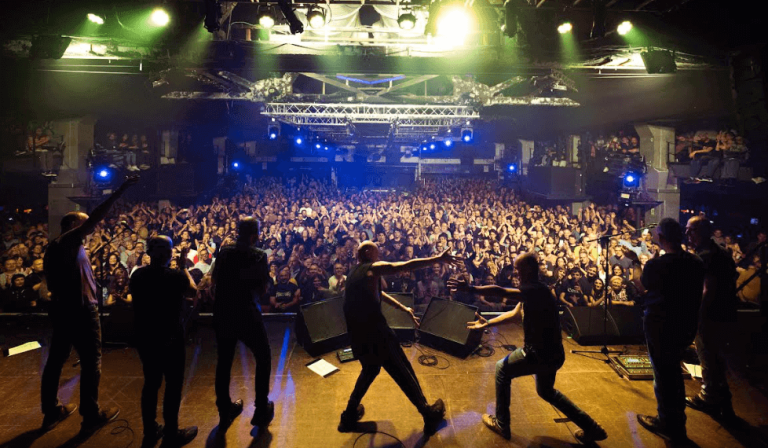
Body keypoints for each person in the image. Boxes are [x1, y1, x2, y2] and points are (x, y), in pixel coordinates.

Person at [448, 253, 607, 444]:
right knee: (546, 391)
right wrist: (487, 323)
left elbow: (501, 291)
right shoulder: (533, 291)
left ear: (529, 269)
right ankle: (592, 428)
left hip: (537, 354)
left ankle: (502, 424)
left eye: (518, 268)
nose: (515, 272)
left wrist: (471, 288)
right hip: (553, 354)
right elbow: (515, 315)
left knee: (501, 369)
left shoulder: (535, 289)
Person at [40, 175, 138, 434]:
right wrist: (119, 191)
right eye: (84, 222)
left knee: (56, 360)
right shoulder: (69, 240)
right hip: (81, 310)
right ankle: (90, 415)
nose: (91, 226)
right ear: (72, 225)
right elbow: (95, 216)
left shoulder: (57, 247)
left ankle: (51, 410)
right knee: (92, 360)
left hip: (63, 309)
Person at [338, 242, 461, 436]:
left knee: (369, 371)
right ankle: (428, 414)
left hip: (358, 335)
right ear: (368, 252)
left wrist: (403, 308)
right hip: (376, 333)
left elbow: (380, 294)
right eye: (376, 247)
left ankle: (348, 416)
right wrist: (437, 259)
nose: (380, 250)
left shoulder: (354, 272)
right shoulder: (373, 268)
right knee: (403, 371)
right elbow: (404, 265)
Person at [623, 218, 705, 443]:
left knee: (663, 374)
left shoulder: (657, 265)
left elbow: (641, 287)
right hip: (686, 323)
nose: (654, 236)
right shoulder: (695, 262)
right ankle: (677, 421)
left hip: (660, 324)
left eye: (656, 233)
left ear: (662, 237)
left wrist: (635, 263)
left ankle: (668, 423)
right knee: (674, 372)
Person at [130, 237, 198, 448]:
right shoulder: (174, 276)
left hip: (145, 335)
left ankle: (150, 430)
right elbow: (193, 291)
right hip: (170, 336)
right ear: (169, 254)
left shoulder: (138, 275)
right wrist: (183, 265)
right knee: (173, 385)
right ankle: (171, 434)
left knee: (151, 383)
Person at [211, 218, 274, 433]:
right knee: (263, 356)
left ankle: (224, 410)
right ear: (255, 234)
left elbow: (215, 280)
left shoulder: (224, 252)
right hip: (247, 313)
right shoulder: (259, 255)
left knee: (224, 362)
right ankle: (260, 409)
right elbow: (263, 289)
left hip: (223, 313)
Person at [684, 216, 738, 420]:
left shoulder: (707, 255)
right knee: (715, 358)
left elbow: (708, 289)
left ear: (703, 231)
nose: (688, 234)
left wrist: (699, 316)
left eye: (692, 230)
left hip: (711, 315)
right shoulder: (721, 253)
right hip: (725, 313)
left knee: (708, 357)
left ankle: (709, 399)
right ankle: (722, 400)